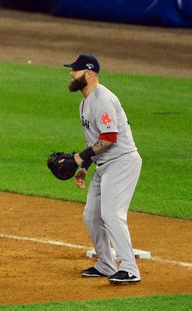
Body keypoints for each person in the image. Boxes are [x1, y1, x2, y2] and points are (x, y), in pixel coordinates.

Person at [63, 54, 142, 284]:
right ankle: (106, 264)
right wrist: (85, 166)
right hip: (104, 165)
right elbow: (94, 141)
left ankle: (130, 269)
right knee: (91, 216)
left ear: (89, 74)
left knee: (111, 215)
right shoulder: (85, 101)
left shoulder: (102, 99)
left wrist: (79, 158)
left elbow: (109, 137)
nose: (71, 73)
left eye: (75, 70)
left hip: (122, 162)